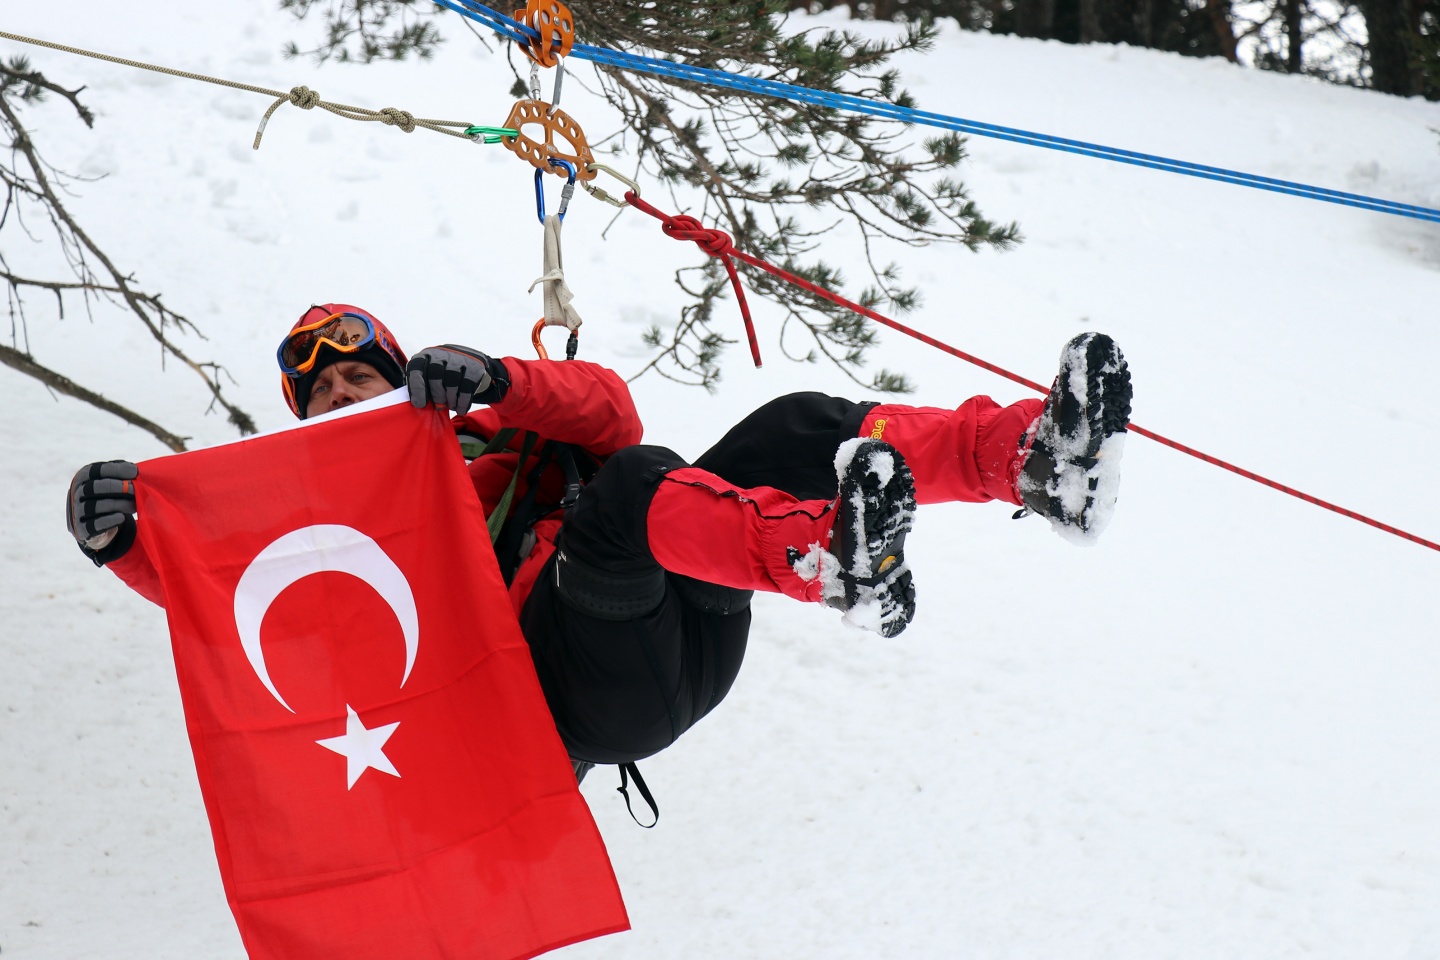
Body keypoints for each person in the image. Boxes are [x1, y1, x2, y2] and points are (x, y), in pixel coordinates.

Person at [67, 303, 1132, 780]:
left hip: (676, 630)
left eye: (362, 377)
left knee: (789, 428)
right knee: (627, 496)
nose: (346, 397)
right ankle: (832, 562)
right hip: (565, 704)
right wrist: (129, 548)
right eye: (324, 393)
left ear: (399, 386)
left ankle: (1034, 462)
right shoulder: (322, 541)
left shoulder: (496, 441)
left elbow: (609, 413)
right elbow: (240, 607)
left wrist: (500, 380)